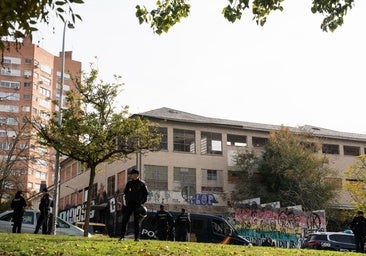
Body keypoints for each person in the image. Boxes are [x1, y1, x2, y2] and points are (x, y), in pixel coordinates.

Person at [119, 169, 148, 241]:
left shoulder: (142, 183)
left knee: (136, 221)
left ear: (138, 175)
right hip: (129, 204)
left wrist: (142, 203)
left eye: (135, 174)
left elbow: (146, 194)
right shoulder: (129, 183)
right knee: (125, 219)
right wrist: (126, 200)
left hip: (138, 205)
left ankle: (136, 238)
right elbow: (125, 192)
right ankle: (122, 236)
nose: (133, 176)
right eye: (132, 174)